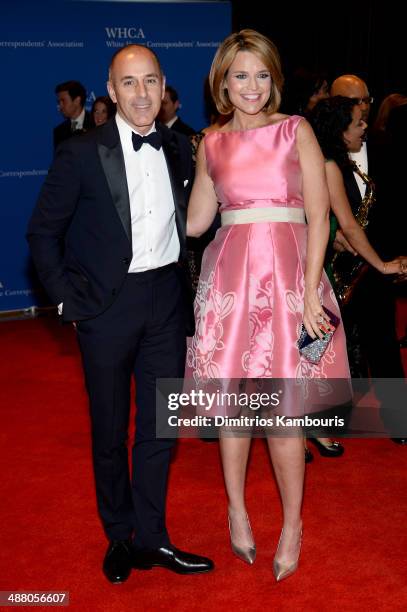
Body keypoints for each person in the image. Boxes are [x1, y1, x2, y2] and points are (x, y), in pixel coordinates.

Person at [27, 44, 213, 584]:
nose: (141, 94)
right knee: (110, 431)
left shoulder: (180, 147)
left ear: (163, 85)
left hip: (166, 303)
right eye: (128, 83)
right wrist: (66, 301)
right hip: (105, 308)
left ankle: (153, 539)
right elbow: (42, 233)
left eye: (150, 81)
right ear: (111, 91)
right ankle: (120, 535)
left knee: (159, 428)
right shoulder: (82, 153)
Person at [186, 29, 350, 581]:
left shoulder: (294, 129)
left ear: (273, 79)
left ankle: (292, 525)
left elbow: (321, 216)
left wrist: (309, 293)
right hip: (230, 283)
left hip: (287, 283)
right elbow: (196, 222)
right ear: (222, 82)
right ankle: (236, 510)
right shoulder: (209, 142)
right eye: (240, 75)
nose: (251, 86)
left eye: (261, 75)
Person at [330, 75, 407, 444]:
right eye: (350, 101)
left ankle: (398, 419)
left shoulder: (386, 144)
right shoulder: (319, 150)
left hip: (377, 262)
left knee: (384, 341)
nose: (360, 107)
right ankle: (332, 418)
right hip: (331, 266)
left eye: (364, 99)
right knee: (330, 344)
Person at [54, 80, 94, 148]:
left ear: (77, 101)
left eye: (63, 101)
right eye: (59, 102)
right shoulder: (59, 131)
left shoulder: (96, 124)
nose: (60, 106)